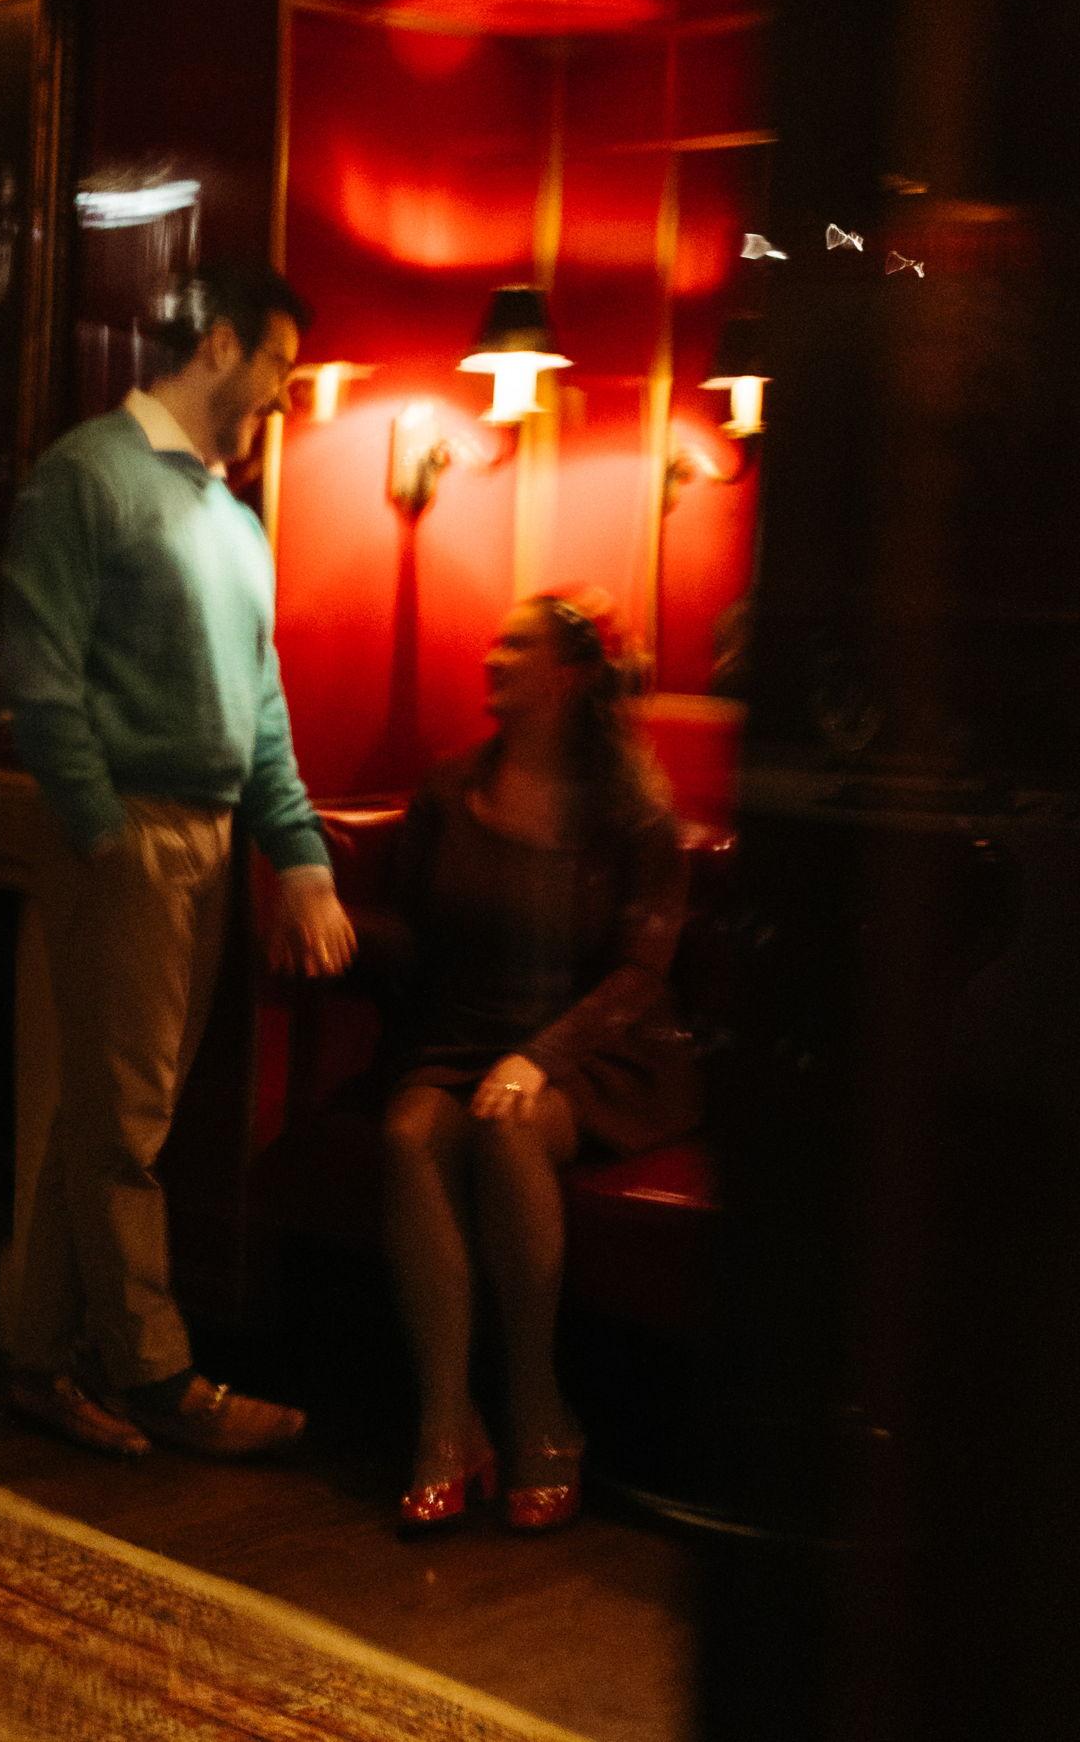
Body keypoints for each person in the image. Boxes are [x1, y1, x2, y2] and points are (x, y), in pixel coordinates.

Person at [0, 264, 355, 1460]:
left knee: (104, 1115)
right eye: (278, 364)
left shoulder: (234, 522)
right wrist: (99, 832)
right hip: (129, 831)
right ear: (216, 344)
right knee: (125, 1127)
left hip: (206, 835)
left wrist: (297, 855)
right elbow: (39, 674)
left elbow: (261, 706)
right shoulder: (86, 476)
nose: (284, 394)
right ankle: (155, 1372)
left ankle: (37, 1357)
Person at [369, 588, 697, 1532]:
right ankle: (445, 1423)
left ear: (569, 675)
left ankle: (538, 1409)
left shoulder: (632, 811)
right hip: (461, 1037)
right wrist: (315, 910)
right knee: (408, 1136)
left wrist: (540, 1058)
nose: (491, 657)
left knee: (508, 1131)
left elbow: (641, 970)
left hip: (602, 1049)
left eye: (516, 646)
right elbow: (414, 937)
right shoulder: (450, 789)